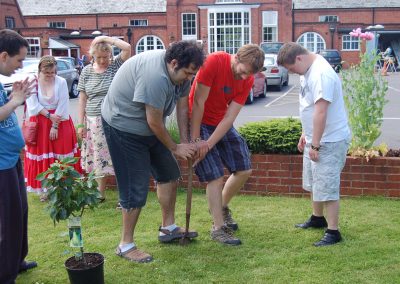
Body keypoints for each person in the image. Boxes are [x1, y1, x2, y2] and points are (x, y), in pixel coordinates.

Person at [101, 40, 204, 262]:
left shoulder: (182, 72)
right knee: (134, 187)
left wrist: (185, 143)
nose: (189, 79)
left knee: (169, 173)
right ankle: (125, 245)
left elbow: (182, 105)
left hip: (149, 127)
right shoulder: (155, 77)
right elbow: (154, 122)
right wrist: (175, 147)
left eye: (192, 75)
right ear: (173, 63)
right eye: (187, 73)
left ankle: (168, 228)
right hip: (123, 126)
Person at [189, 44, 265, 245]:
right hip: (198, 119)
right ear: (237, 57)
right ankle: (218, 228)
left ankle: (220, 206)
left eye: (249, 74)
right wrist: (198, 141)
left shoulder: (247, 79)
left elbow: (230, 117)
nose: (244, 77)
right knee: (214, 176)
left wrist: (210, 143)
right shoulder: (215, 61)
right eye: (243, 71)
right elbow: (198, 103)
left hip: (220, 122)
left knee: (244, 168)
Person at [277, 42, 351, 247]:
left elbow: (321, 111)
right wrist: (305, 134)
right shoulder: (308, 70)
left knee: (327, 185)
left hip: (329, 140)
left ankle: (333, 231)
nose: (292, 73)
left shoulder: (321, 74)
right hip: (315, 138)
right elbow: (308, 105)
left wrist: (316, 144)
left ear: (299, 58)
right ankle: (318, 218)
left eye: (291, 68)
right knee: (315, 182)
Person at [0, 29, 37, 284]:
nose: (21, 66)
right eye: (19, 60)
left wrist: (16, 99)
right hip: (1, 164)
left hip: (11, 159)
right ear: (4, 56)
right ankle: (5, 273)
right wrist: (15, 101)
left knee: (20, 211)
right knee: (7, 218)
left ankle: (17, 259)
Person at [77, 36, 131, 202]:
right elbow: (82, 98)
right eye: (98, 57)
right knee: (98, 157)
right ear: (93, 56)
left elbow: (127, 47)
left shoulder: (115, 65)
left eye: (105, 57)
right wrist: (81, 124)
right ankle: (100, 194)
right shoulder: (86, 71)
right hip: (93, 120)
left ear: (110, 55)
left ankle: (125, 193)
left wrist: (106, 38)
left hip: (114, 118)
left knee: (117, 155)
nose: (102, 60)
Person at [24, 56, 82, 197]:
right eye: (46, 73)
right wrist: (49, 117)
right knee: (42, 155)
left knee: (61, 154)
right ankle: (45, 190)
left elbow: (63, 103)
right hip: (40, 122)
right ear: (40, 70)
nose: (50, 76)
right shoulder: (32, 82)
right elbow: (33, 105)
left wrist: (54, 125)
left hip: (60, 122)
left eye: (52, 73)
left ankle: (62, 188)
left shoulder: (61, 81)